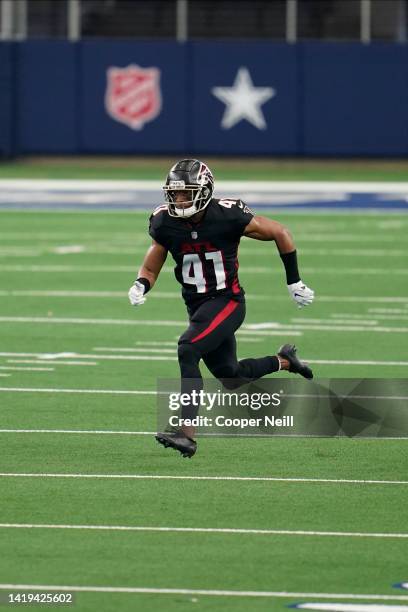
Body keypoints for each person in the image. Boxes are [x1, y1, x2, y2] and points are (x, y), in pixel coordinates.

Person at [128, 159, 315, 458]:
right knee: (232, 376)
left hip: (227, 301)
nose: (179, 199)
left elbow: (281, 232)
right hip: (197, 305)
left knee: (188, 348)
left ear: (204, 191)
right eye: (175, 194)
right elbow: (154, 259)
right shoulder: (164, 221)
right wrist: (141, 283)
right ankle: (285, 361)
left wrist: (294, 281)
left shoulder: (228, 215)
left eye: (186, 193)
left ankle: (186, 433)